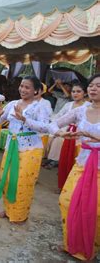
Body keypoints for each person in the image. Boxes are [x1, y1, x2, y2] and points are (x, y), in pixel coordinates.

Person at [50, 73, 100, 261]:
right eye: (92, 85)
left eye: (99, 86)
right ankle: (70, 243)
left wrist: (96, 138)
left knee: (94, 211)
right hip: (82, 164)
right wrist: (61, 134)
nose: (94, 88)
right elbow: (54, 123)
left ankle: (90, 248)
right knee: (67, 201)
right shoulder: (81, 110)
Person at [0, 76, 51, 223]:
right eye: (22, 86)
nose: (23, 89)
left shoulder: (41, 106)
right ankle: (8, 210)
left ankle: (19, 215)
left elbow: (45, 127)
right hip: (11, 146)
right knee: (6, 178)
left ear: (36, 90)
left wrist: (24, 119)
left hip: (30, 149)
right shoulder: (12, 103)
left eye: (27, 87)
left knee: (22, 182)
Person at [44, 82, 89, 179]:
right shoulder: (68, 105)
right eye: (73, 91)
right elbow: (59, 117)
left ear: (85, 93)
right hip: (66, 130)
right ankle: (58, 169)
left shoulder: (88, 106)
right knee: (54, 139)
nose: (75, 94)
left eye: (78, 91)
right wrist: (56, 128)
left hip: (81, 134)